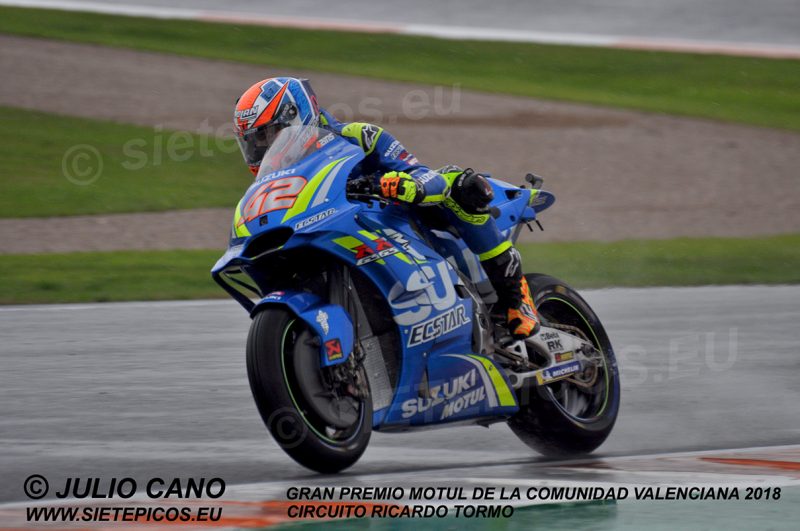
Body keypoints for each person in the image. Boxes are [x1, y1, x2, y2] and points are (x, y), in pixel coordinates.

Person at [233, 77, 540, 339]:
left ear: (296, 116)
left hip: (400, 218)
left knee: (460, 185)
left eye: (267, 135)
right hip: (343, 236)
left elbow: (423, 174)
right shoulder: (280, 182)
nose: (262, 148)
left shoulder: (356, 136)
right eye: (252, 141)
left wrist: (407, 185)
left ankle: (516, 297)